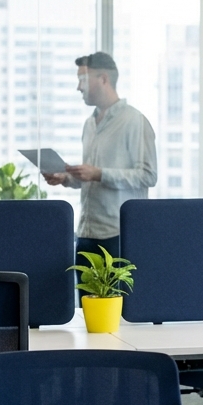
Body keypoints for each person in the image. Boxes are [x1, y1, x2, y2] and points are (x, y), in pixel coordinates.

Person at [43, 52, 156, 260]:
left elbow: (148, 176)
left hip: (117, 235)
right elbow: (91, 178)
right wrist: (66, 178)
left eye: (83, 80)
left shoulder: (134, 121)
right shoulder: (89, 124)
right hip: (86, 233)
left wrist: (99, 174)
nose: (79, 87)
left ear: (103, 79)